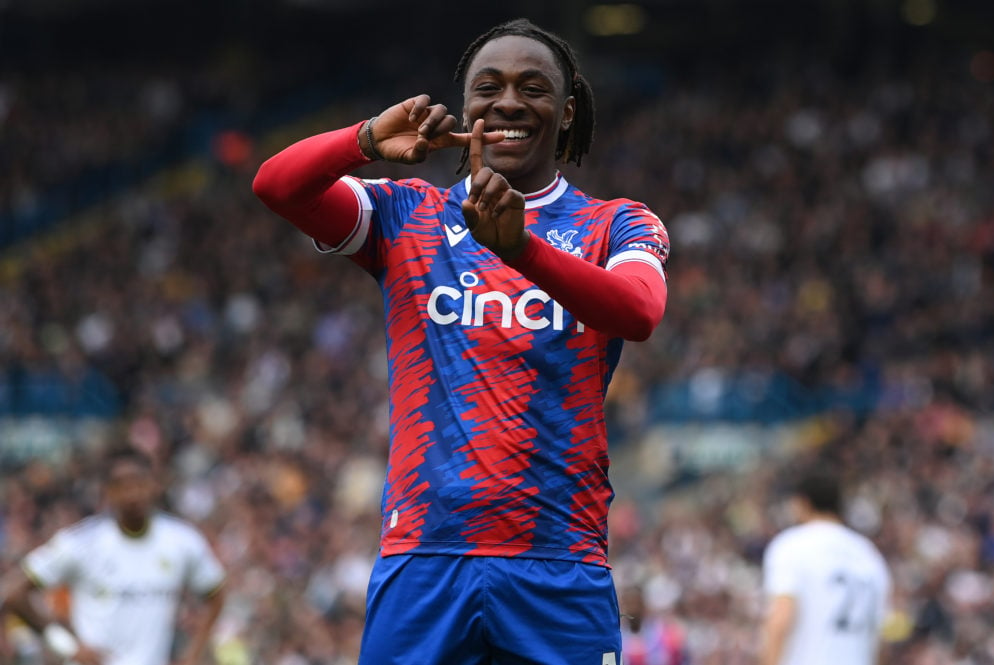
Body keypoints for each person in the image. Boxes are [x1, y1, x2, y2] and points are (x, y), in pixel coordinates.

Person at [253, 17, 669, 665]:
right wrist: (362, 140)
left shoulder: (615, 222)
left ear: (564, 113)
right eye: (488, 87)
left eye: (533, 88)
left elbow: (639, 311)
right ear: (467, 106)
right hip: (423, 555)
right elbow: (277, 185)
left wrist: (522, 249)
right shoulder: (408, 215)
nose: (507, 101)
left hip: (556, 558)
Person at [0, 447, 226, 665]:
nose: (132, 493)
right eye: (122, 485)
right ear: (107, 491)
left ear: (154, 484)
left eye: (139, 482)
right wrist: (67, 646)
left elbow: (215, 593)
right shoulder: (81, 542)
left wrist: (193, 655)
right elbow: (12, 594)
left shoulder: (182, 540)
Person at [760, 464, 892, 665]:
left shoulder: (792, 545)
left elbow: (781, 618)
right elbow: (878, 637)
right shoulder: (869, 555)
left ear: (802, 502)